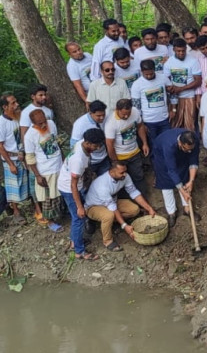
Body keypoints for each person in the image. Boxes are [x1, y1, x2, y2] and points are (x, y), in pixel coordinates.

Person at [84, 161, 157, 252]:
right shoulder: (102, 185)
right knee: (108, 215)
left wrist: (149, 208)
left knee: (134, 209)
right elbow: (112, 208)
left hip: (112, 202)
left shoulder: (125, 177)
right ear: (112, 172)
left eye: (125, 171)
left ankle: (112, 222)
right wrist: (125, 226)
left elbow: (134, 192)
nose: (125, 174)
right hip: (94, 207)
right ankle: (107, 241)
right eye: (121, 172)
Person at [58, 128, 106, 261]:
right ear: (89, 143)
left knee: (77, 217)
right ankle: (79, 252)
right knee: (78, 217)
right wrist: (79, 206)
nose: (98, 147)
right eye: (97, 145)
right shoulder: (78, 160)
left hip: (71, 183)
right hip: (69, 188)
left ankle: (74, 241)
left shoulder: (81, 143)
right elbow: (73, 185)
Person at [24, 109, 63, 232]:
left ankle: (61, 215)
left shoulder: (51, 124)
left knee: (60, 194)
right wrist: (37, 176)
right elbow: (30, 158)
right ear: (34, 123)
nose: (44, 125)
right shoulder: (30, 136)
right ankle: (50, 221)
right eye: (40, 123)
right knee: (48, 199)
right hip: (45, 170)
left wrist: (63, 162)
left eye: (44, 121)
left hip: (58, 165)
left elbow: (57, 143)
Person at [153, 129, 200, 227]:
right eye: (187, 149)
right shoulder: (169, 145)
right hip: (162, 155)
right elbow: (171, 170)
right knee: (166, 182)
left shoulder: (194, 140)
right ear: (180, 143)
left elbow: (193, 160)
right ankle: (171, 212)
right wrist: (183, 192)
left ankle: (187, 209)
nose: (189, 151)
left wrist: (191, 181)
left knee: (184, 176)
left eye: (191, 149)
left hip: (181, 155)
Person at [0, 93, 27, 224]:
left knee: (25, 182)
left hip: (22, 155)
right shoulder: (0, 124)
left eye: (16, 102)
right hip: (11, 158)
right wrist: (10, 164)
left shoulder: (19, 117)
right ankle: (16, 212)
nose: (17, 104)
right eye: (13, 103)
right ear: (5, 107)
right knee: (12, 186)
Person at [105, 98, 149, 194]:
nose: (126, 116)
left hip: (134, 152)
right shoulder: (111, 123)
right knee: (122, 179)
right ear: (117, 110)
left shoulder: (135, 112)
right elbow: (109, 145)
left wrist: (144, 143)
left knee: (139, 176)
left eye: (128, 114)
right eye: (123, 114)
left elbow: (140, 126)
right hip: (120, 156)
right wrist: (115, 161)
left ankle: (143, 200)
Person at [131, 59, 173, 146]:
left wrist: (173, 109)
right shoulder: (137, 84)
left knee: (167, 143)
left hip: (164, 119)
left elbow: (172, 93)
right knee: (154, 145)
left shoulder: (163, 78)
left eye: (151, 73)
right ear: (142, 71)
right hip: (149, 121)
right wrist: (141, 124)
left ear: (154, 69)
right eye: (146, 74)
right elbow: (136, 107)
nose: (149, 76)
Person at [163, 38, 201, 130]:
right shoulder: (169, 62)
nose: (181, 53)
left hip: (189, 97)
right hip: (174, 98)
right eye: (178, 51)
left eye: (183, 51)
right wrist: (170, 89)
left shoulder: (193, 61)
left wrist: (181, 89)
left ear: (186, 49)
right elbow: (166, 80)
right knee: (174, 123)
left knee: (190, 124)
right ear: (173, 50)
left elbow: (198, 80)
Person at [71, 100, 110, 176]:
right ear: (90, 113)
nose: (102, 118)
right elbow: (74, 145)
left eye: (103, 115)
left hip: (104, 158)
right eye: (98, 116)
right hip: (90, 162)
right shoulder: (80, 124)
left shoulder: (106, 117)